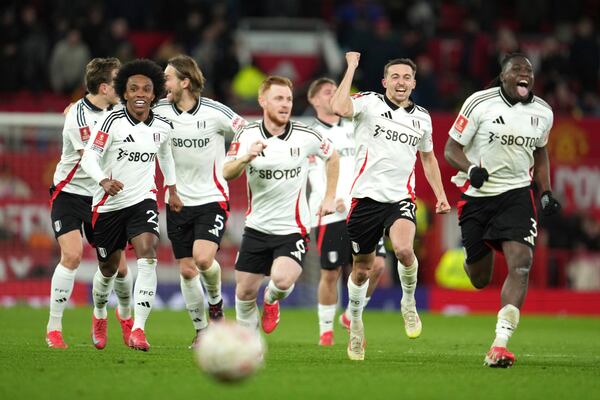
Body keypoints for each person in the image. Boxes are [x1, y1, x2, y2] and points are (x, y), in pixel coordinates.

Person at [331, 52, 451, 361]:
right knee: (361, 269)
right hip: (365, 200)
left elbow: (428, 157)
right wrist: (352, 66)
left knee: (404, 251)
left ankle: (408, 304)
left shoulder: (422, 117)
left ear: (414, 83)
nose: (401, 82)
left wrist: (440, 194)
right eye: (394, 77)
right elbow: (338, 107)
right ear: (385, 82)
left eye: (406, 77)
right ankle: (355, 324)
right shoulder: (369, 102)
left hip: (400, 198)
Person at [444, 53, 560, 368]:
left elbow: (541, 152)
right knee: (480, 278)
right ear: (503, 75)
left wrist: (546, 191)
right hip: (478, 197)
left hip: (517, 196)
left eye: (529, 70)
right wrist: (470, 170)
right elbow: (450, 148)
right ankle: (473, 259)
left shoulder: (543, 112)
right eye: (517, 69)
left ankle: (500, 343)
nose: (524, 73)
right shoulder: (479, 103)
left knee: (521, 264)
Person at [223, 76, 339, 334]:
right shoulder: (247, 134)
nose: (285, 104)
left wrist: (329, 196)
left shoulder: (305, 135)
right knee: (244, 291)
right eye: (278, 98)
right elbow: (227, 172)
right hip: (256, 228)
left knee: (282, 280)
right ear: (263, 101)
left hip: (292, 229)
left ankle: (271, 300)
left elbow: (332, 156)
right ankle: (250, 346)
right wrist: (246, 157)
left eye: (288, 98)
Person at [81, 59, 182, 352]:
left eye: (147, 89)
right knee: (109, 269)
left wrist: (172, 189)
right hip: (109, 205)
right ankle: (100, 313)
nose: (140, 93)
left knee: (148, 252)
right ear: (124, 93)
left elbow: (166, 156)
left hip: (143, 199)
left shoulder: (162, 125)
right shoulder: (110, 121)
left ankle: (138, 328)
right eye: (134, 88)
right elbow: (89, 157)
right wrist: (102, 181)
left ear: (154, 94)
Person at [155, 54, 247, 348]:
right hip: (177, 200)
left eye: (167, 77)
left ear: (185, 81)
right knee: (186, 269)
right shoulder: (159, 112)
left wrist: (235, 157)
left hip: (211, 199)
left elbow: (246, 130)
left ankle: (217, 305)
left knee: (204, 259)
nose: (163, 82)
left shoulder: (215, 111)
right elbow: (123, 117)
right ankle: (201, 329)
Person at [46, 58, 134, 349]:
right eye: (118, 81)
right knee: (71, 256)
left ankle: (124, 316)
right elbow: (88, 157)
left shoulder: (118, 110)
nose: (124, 86)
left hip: (102, 197)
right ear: (105, 87)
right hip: (70, 194)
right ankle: (54, 328)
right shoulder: (77, 116)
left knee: (120, 268)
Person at [306, 77, 387, 346]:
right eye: (328, 92)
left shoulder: (354, 128)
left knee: (376, 266)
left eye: (337, 92)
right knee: (331, 272)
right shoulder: (310, 134)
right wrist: (332, 198)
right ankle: (325, 329)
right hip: (328, 212)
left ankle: (352, 315)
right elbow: (313, 173)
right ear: (314, 99)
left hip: (361, 208)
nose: (334, 95)